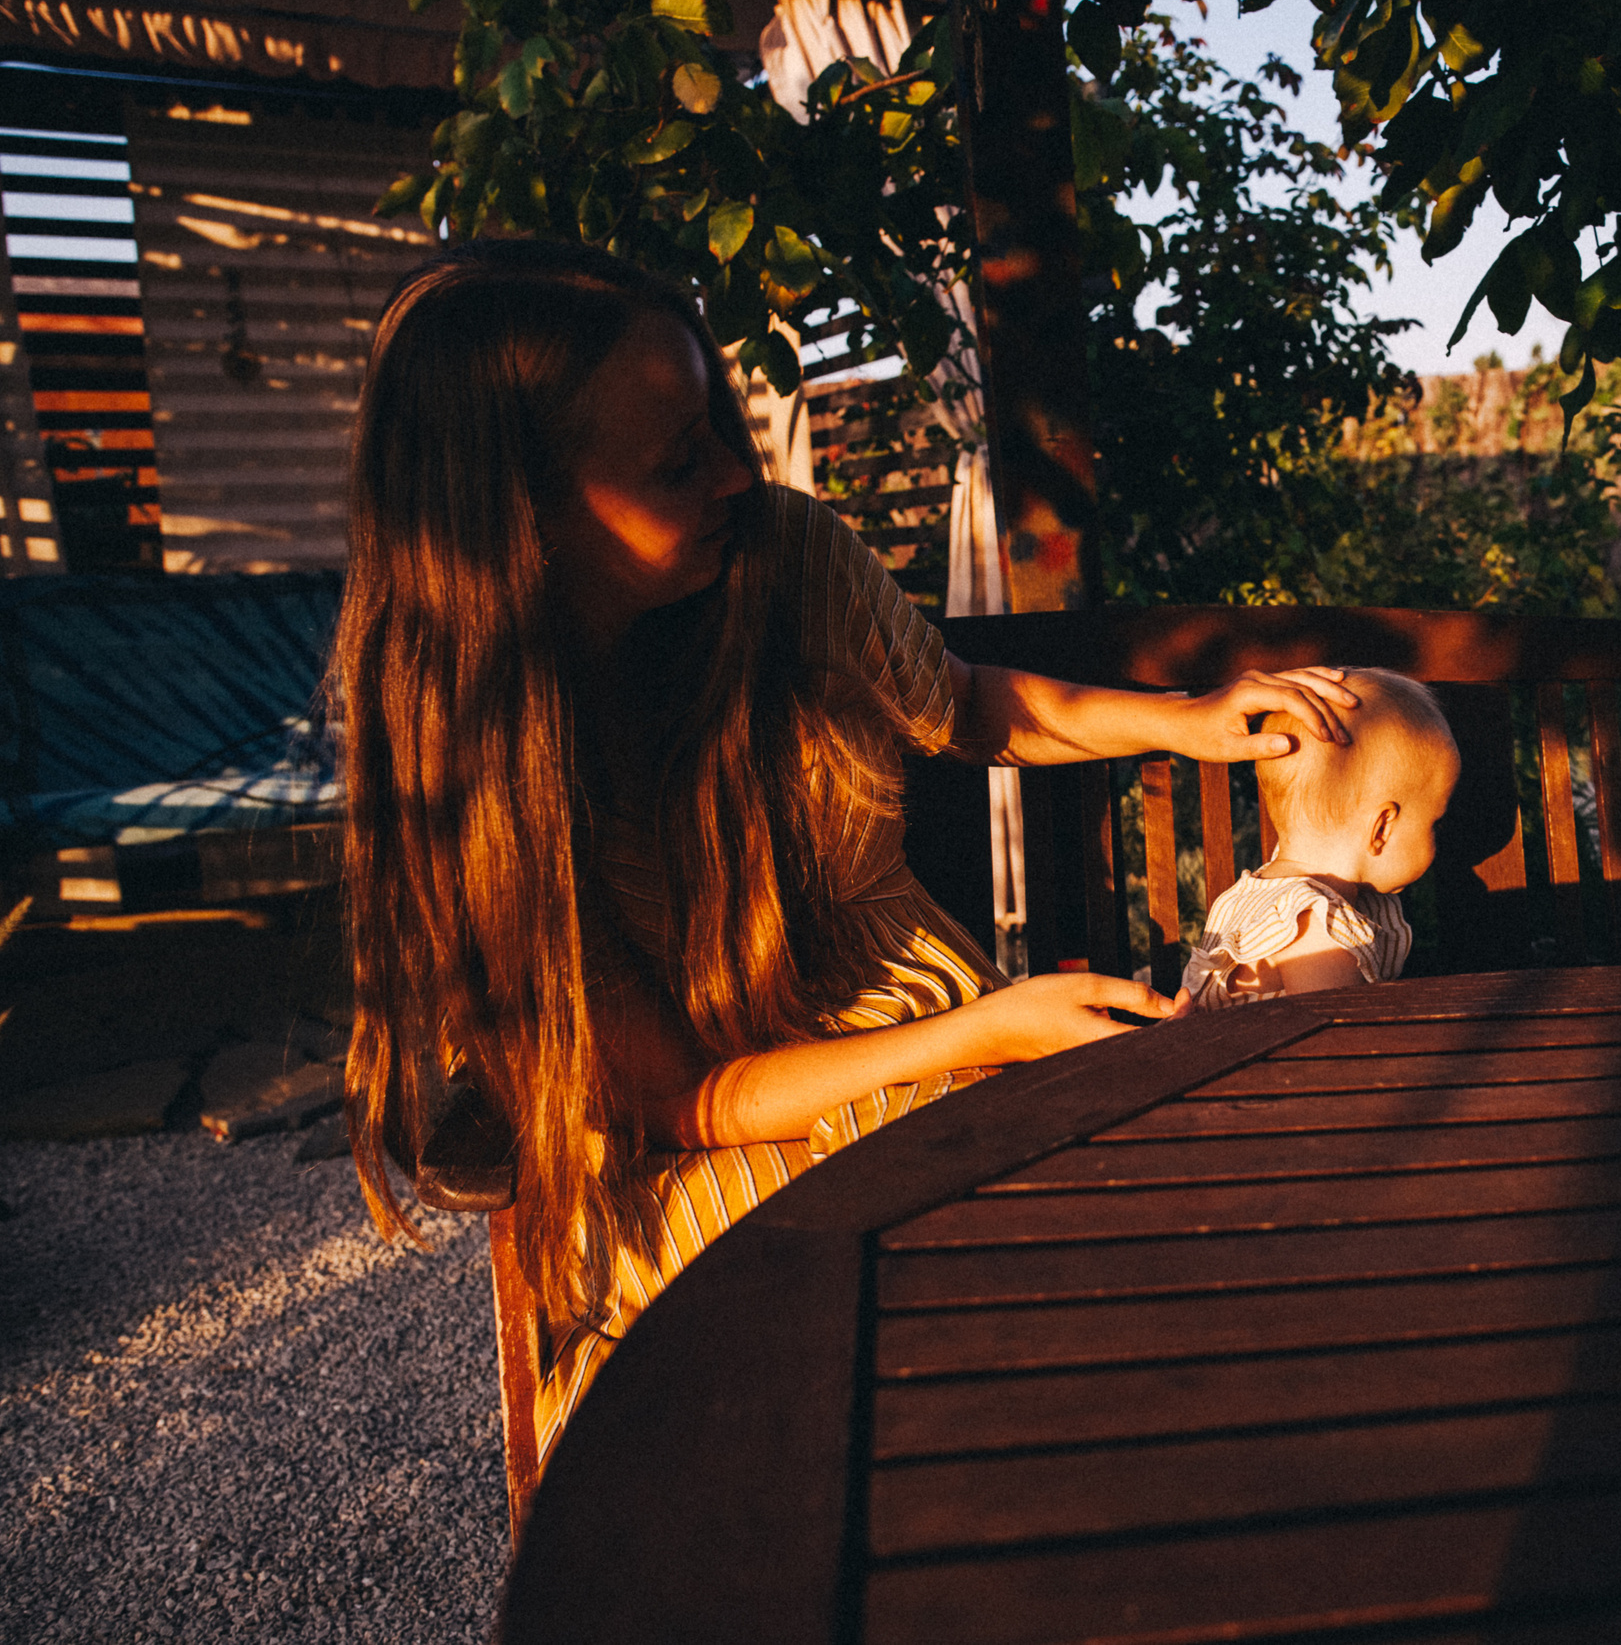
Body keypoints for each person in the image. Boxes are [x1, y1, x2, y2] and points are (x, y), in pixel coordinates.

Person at [334, 239, 1358, 1467]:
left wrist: (1190, 723)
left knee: (1145, 1332)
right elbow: (681, 1101)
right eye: (675, 461)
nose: (731, 473)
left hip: (947, 1062)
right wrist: (986, 1033)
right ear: (525, 521)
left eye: (720, 420)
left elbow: (961, 706)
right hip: (717, 1154)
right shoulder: (475, 777)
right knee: (824, 1405)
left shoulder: (786, 560)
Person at [1179, 669, 1459, 1008]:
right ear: (1381, 829)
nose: (1441, 834)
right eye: (1436, 822)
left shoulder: (1259, 893)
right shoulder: (1313, 927)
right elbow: (1342, 1045)